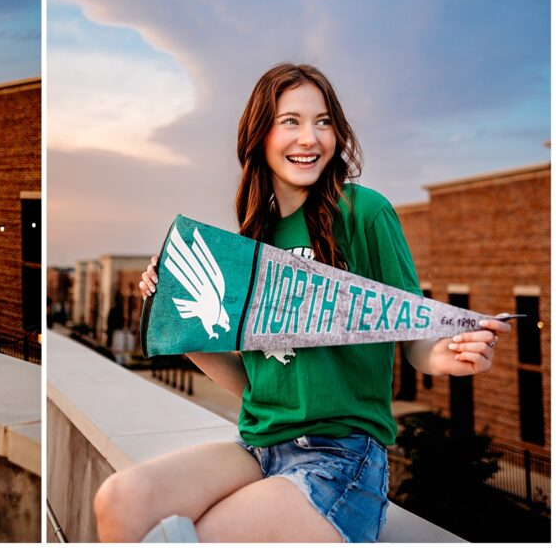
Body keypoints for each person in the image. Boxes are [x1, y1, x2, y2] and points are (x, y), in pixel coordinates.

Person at [93, 63, 511, 543]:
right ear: (259, 134)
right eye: (290, 121)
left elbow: (413, 328)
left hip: (340, 459)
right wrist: (176, 315)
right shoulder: (252, 241)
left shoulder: (363, 212)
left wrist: (441, 354)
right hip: (257, 447)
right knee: (119, 500)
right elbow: (254, 383)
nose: (309, 137)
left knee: (201, 537)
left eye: (324, 121)